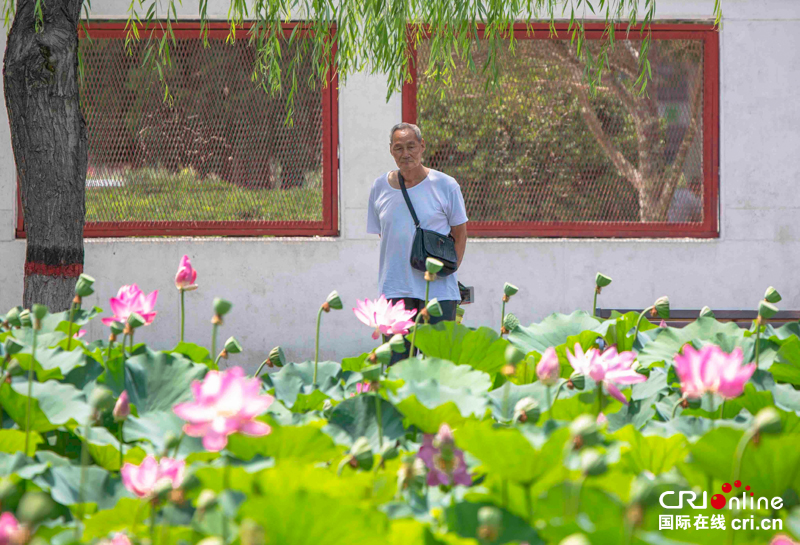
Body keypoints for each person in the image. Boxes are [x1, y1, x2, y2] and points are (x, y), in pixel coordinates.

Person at [367, 122, 468, 364]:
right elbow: (387, 235)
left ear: (422, 146)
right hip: (394, 291)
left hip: (438, 292)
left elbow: (460, 233)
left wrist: (447, 271)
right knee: (397, 368)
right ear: (391, 151)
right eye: (398, 148)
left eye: (411, 146)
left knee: (439, 367)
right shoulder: (379, 187)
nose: (405, 154)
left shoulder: (446, 185)